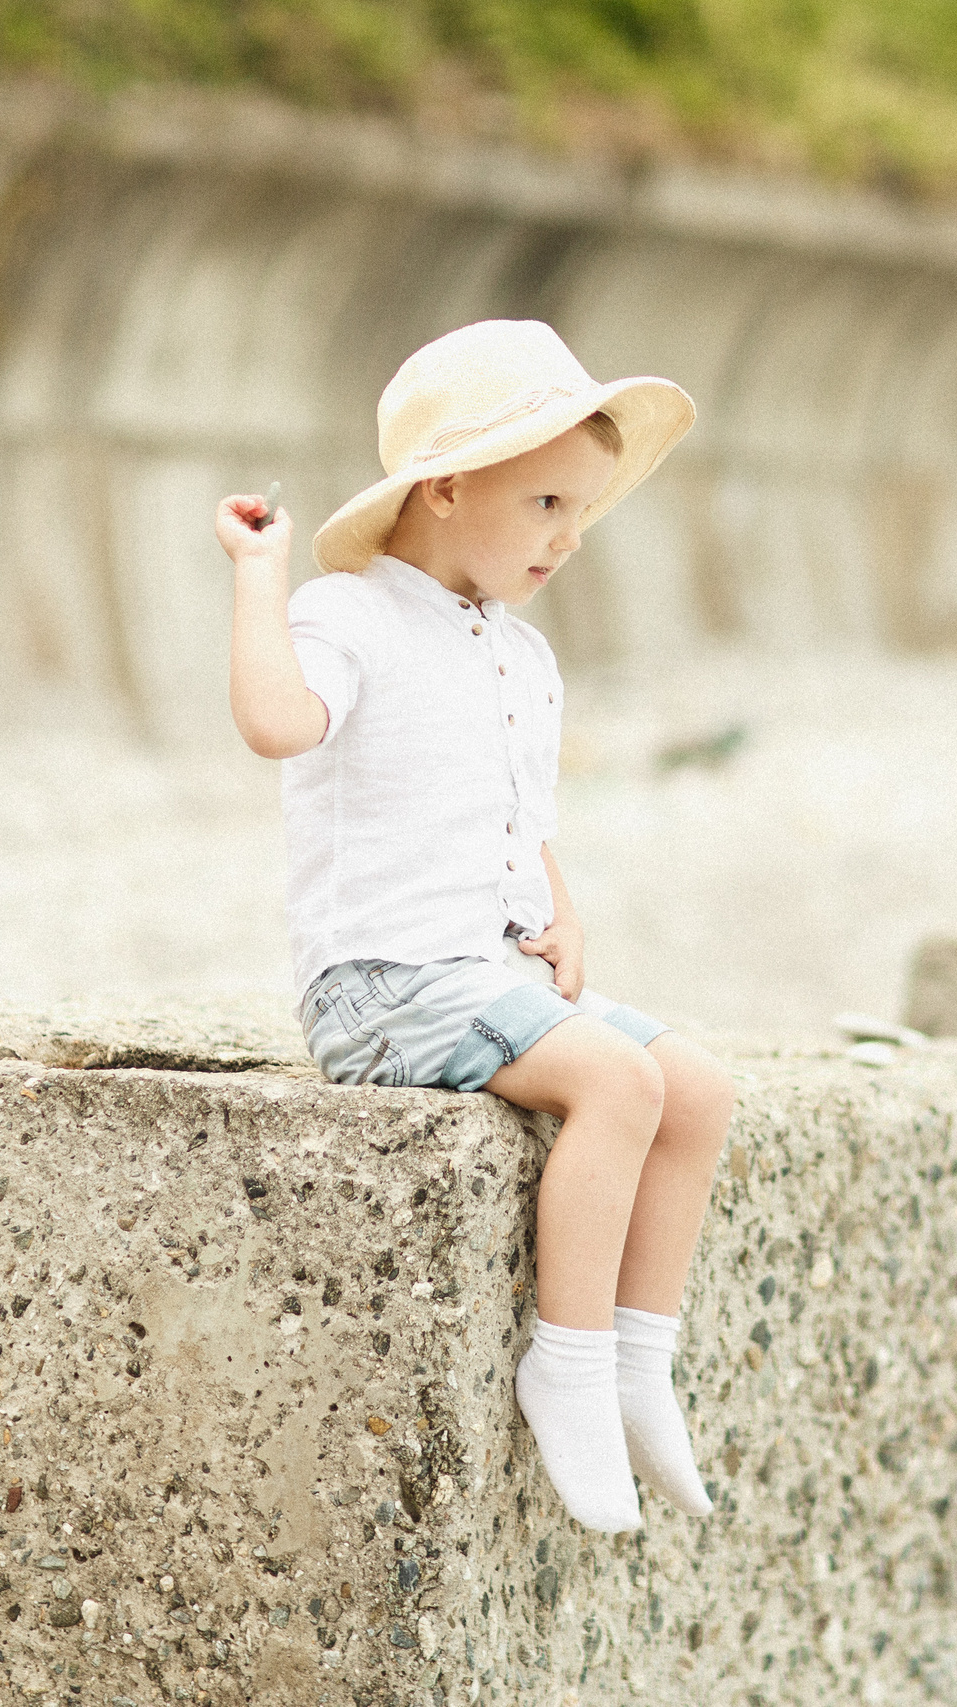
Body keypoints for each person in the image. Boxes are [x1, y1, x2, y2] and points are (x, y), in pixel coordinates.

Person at [213, 319, 732, 1533]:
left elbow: (521, 812)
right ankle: (567, 1358)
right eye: (545, 500)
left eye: (582, 513)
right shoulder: (353, 616)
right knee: (615, 1083)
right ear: (443, 489)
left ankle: (638, 1359)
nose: (567, 537)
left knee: (694, 1086)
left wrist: (559, 912)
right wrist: (259, 578)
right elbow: (278, 724)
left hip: (481, 973)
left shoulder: (521, 654)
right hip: (383, 985)